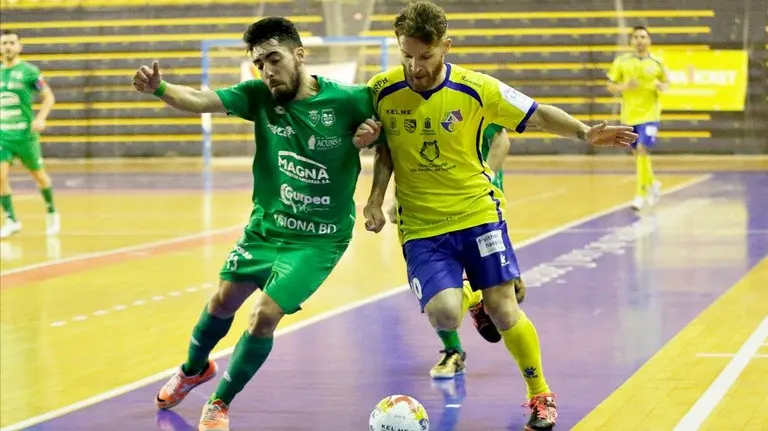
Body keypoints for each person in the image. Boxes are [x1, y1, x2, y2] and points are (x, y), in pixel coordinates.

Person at [358, 2, 637, 430]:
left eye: (425, 56)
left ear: (445, 47)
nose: (415, 65)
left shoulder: (477, 88)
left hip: (478, 215)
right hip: (423, 227)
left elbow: (537, 113)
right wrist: (376, 198)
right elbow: (384, 151)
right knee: (445, 314)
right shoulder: (381, 89)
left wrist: (584, 132)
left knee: (505, 309)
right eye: (407, 55)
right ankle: (473, 300)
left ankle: (540, 395)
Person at [133, 17, 382, 431]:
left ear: (299, 54)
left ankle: (219, 403)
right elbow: (198, 100)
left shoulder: (352, 100)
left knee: (263, 315)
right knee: (222, 302)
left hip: (318, 240)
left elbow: (391, 138)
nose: (267, 70)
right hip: (267, 228)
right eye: (258, 63)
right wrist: (159, 88)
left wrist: (373, 160)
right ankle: (194, 369)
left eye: (274, 58)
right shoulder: (257, 96)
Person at [384, 124, 511, 380]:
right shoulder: (396, 97)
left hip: (477, 208)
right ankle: (453, 350)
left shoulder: (467, 91)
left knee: (508, 298)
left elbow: (500, 138)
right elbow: (393, 151)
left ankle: (474, 296)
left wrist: (485, 180)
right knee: (437, 297)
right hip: (425, 212)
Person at [0, 30, 59, 238]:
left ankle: (51, 211)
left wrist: (40, 118)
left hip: (25, 135)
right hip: (3, 136)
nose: (8, 46)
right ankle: (11, 220)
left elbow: (48, 97)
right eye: (4, 43)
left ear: (19, 46)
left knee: (39, 176)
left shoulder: (29, 72)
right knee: (0, 176)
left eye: (11, 42)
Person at [607, 25, 669, 211]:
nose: (640, 40)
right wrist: (624, 87)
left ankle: (641, 194)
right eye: (636, 37)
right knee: (637, 154)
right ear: (631, 41)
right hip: (629, 115)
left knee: (642, 149)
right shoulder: (622, 62)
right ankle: (651, 183)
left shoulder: (657, 62)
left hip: (650, 114)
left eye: (643, 37)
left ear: (649, 40)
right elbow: (610, 85)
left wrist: (661, 86)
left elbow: (666, 83)